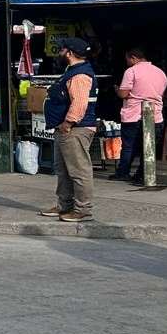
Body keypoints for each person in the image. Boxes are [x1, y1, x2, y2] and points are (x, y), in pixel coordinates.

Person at [40, 37, 99, 223]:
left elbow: (79, 103)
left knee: (78, 170)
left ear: (70, 53)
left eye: (62, 49)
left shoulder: (80, 75)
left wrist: (68, 123)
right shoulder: (71, 71)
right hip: (67, 129)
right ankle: (64, 205)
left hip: (75, 130)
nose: (59, 52)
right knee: (63, 170)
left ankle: (82, 209)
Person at [110, 47, 167, 185]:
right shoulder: (160, 72)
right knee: (148, 146)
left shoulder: (131, 71)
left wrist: (118, 90)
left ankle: (123, 172)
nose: (127, 62)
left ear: (134, 58)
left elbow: (124, 94)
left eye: (128, 59)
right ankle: (143, 173)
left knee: (129, 146)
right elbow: (160, 94)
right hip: (156, 115)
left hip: (133, 115)